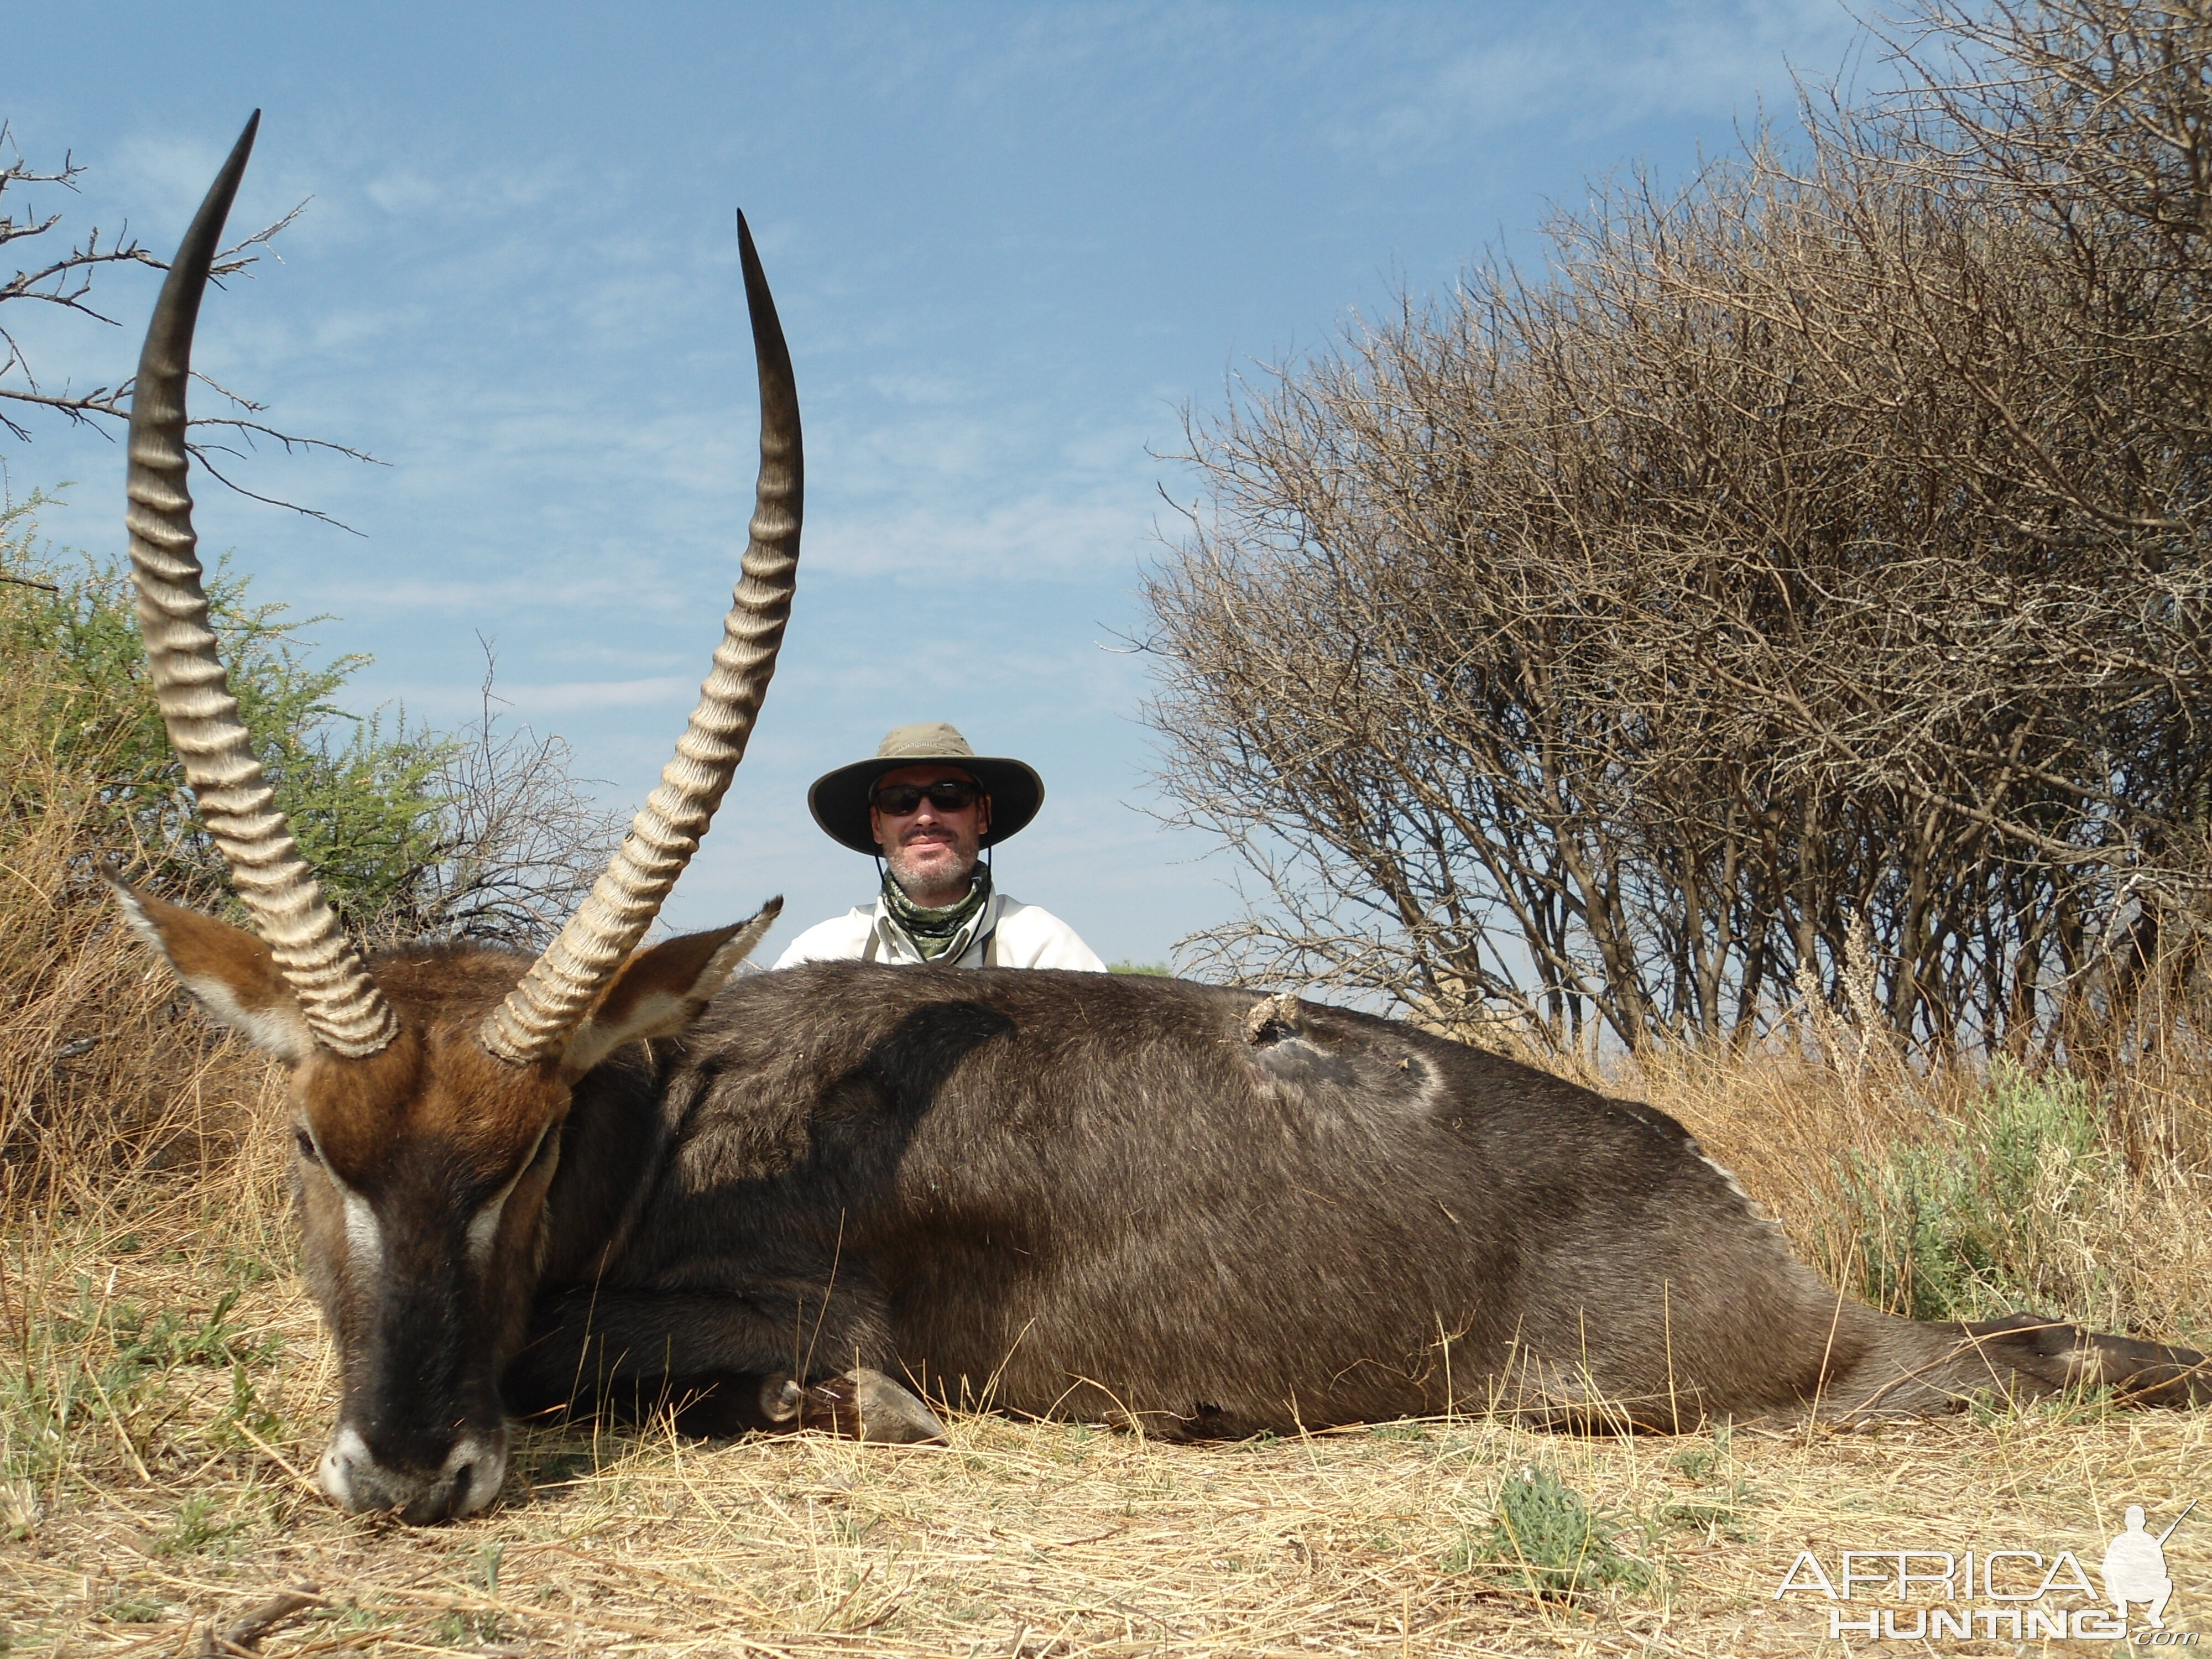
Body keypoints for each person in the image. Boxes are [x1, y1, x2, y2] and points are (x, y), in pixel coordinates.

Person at [772, 721, 1105, 971]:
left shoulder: (1044, 948)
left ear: (982, 815)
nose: (926, 817)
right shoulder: (821, 955)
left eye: (950, 796)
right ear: (877, 824)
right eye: (900, 800)